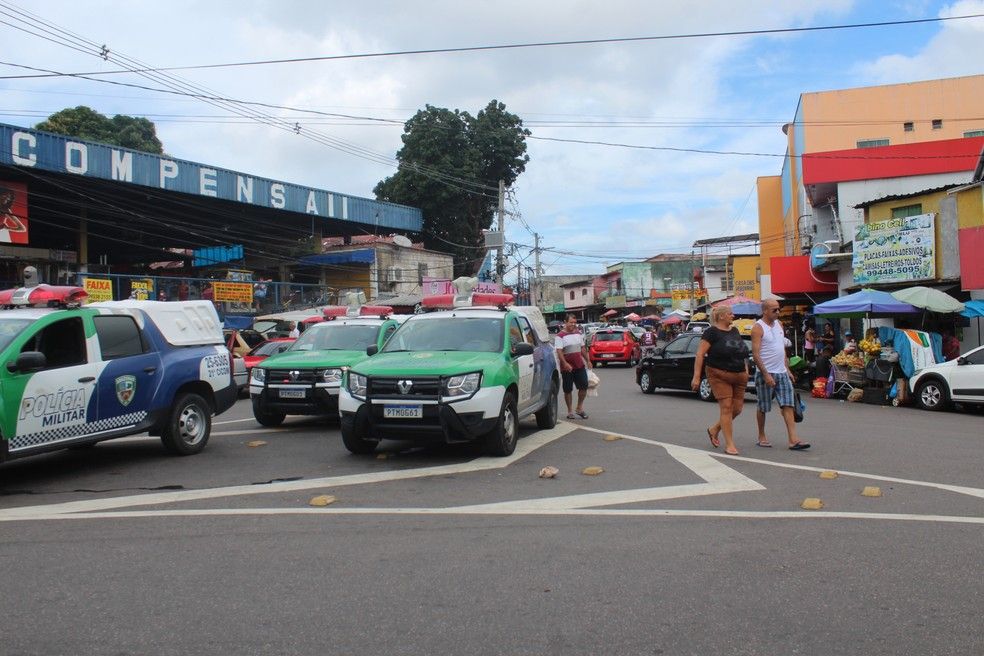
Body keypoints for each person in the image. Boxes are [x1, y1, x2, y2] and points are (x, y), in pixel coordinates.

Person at [751, 299, 810, 450]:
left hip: (781, 372)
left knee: (788, 405)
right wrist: (765, 374)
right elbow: (756, 355)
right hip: (766, 373)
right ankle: (762, 435)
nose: (778, 312)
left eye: (778, 309)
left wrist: (787, 369)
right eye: (774, 310)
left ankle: (793, 439)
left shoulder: (779, 325)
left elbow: (782, 349)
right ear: (765, 311)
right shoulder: (758, 328)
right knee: (763, 406)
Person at [692, 305, 749, 456]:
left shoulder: (735, 330)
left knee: (737, 409)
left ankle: (714, 429)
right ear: (721, 316)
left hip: (739, 374)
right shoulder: (711, 332)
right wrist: (696, 377)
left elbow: (740, 351)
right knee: (726, 408)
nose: (733, 315)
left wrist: (746, 370)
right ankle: (730, 444)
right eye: (730, 313)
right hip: (719, 374)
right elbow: (700, 354)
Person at [554, 314, 591, 419]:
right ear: (565, 322)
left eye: (575, 322)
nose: (573, 324)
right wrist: (565, 363)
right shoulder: (560, 336)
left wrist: (588, 360)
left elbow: (582, 348)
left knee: (584, 386)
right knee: (568, 389)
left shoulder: (578, 333)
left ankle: (579, 408)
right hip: (567, 368)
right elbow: (559, 351)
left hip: (579, 365)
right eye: (571, 322)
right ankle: (570, 411)